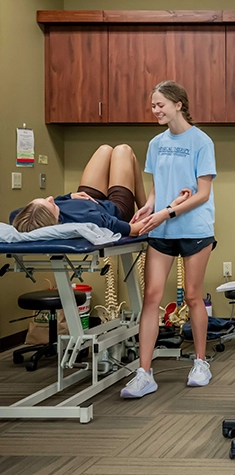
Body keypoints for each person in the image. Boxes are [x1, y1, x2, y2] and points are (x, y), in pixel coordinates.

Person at [120, 80, 217, 399]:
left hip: (194, 229)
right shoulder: (155, 143)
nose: (155, 110)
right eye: (152, 105)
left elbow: (203, 194)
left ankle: (201, 362)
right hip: (161, 229)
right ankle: (144, 372)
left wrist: (167, 213)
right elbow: (157, 187)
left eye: (160, 104)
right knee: (152, 296)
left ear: (179, 104)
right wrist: (150, 206)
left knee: (192, 296)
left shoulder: (201, 142)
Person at [9, 144, 188, 236]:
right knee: (123, 150)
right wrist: (167, 211)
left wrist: (68, 196)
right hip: (114, 208)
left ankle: (148, 206)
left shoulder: (25, 217)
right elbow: (133, 229)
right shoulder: (88, 220)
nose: (50, 198)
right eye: (50, 204)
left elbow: (17, 216)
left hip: (84, 199)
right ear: (55, 219)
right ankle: (147, 208)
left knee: (104, 149)